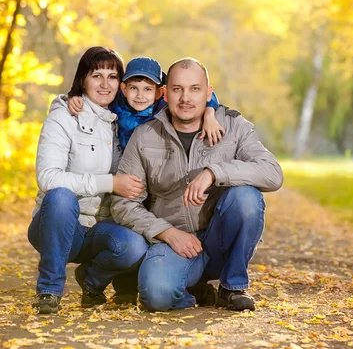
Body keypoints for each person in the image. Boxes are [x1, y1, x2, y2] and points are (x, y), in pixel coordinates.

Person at [111, 57, 283, 312]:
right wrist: (166, 232)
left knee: (246, 197)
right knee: (157, 296)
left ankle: (232, 287)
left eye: (195, 89)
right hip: (174, 241)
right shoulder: (145, 135)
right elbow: (123, 203)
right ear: (165, 93)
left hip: (219, 238)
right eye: (177, 89)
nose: (185, 98)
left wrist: (214, 172)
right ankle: (194, 290)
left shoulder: (234, 126)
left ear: (208, 93)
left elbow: (272, 173)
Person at [28, 46, 149, 314]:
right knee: (60, 195)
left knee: (133, 246)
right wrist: (111, 183)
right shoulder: (64, 116)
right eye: (97, 75)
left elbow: (171, 97)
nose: (105, 84)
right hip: (58, 225)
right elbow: (48, 177)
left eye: (112, 76)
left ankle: (91, 280)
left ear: (121, 84)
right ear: (83, 79)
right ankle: (49, 291)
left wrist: (211, 112)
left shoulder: (123, 121)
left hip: (99, 229)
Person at [68, 57, 225, 149]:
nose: (140, 96)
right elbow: (95, 96)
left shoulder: (164, 107)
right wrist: (74, 95)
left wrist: (210, 114)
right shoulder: (117, 103)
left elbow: (203, 92)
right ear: (123, 88)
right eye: (134, 88)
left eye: (148, 90)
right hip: (125, 164)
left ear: (160, 92)